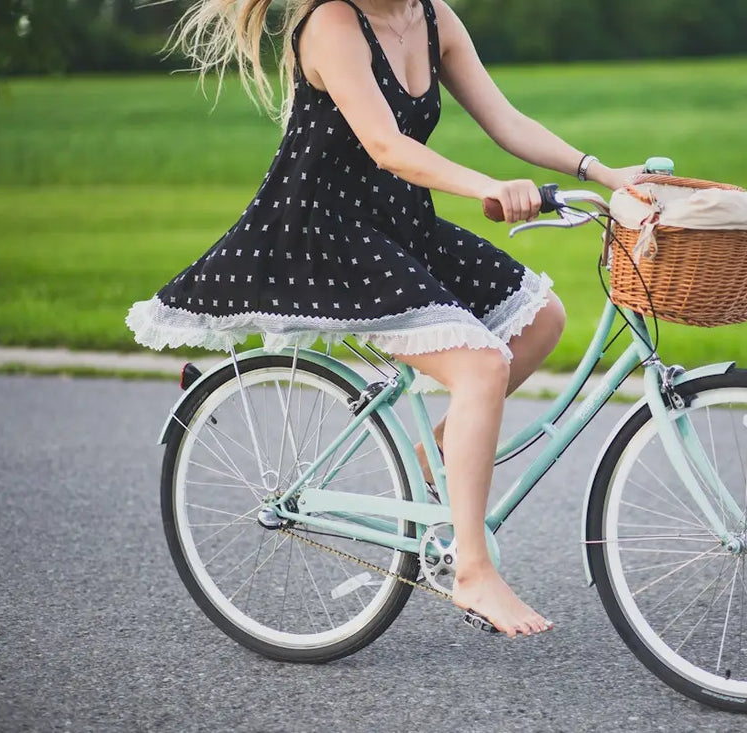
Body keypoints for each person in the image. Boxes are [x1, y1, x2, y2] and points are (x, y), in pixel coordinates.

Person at [126, 0, 641, 637]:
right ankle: (473, 572)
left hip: (398, 225)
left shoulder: (433, 17)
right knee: (481, 367)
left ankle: (429, 462)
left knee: (541, 321)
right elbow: (386, 146)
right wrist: (487, 187)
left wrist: (603, 173)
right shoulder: (333, 25)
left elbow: (506, 120)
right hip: (324, 234)